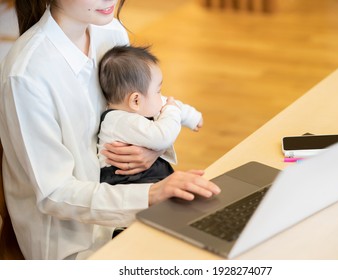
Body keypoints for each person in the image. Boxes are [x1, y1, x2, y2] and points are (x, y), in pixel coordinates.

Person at [0, 0, 220, 260]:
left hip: (130, 200)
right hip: (75, 241)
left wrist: (150, 149)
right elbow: (54, 194)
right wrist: (151, 194)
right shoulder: (26, 75)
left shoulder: (111, 32)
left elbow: (136, 109)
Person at [98, 45, 203, 185]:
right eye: (158, 91)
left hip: (147, 173)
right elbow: (163, 136)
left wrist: (192, 117)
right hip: (127, 182)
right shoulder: (119, 121)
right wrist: (172, 111)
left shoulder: (141, 105)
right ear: (136, 100)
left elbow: (170, 104)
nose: (161, 95)